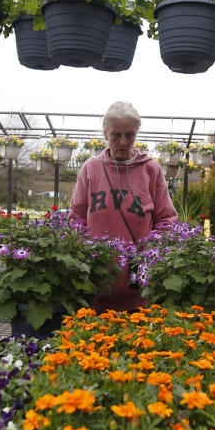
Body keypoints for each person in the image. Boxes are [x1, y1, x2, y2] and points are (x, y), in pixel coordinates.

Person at [70, 101, 178, 312]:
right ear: (105, 134)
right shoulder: (91, 169)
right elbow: (76, 216)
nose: (122, 141)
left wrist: (148, 249)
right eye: (116, 135)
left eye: (129, 135)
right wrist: (86, 252)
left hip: (138, 288)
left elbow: (167, 219)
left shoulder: (151, 170)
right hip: (96, 284)